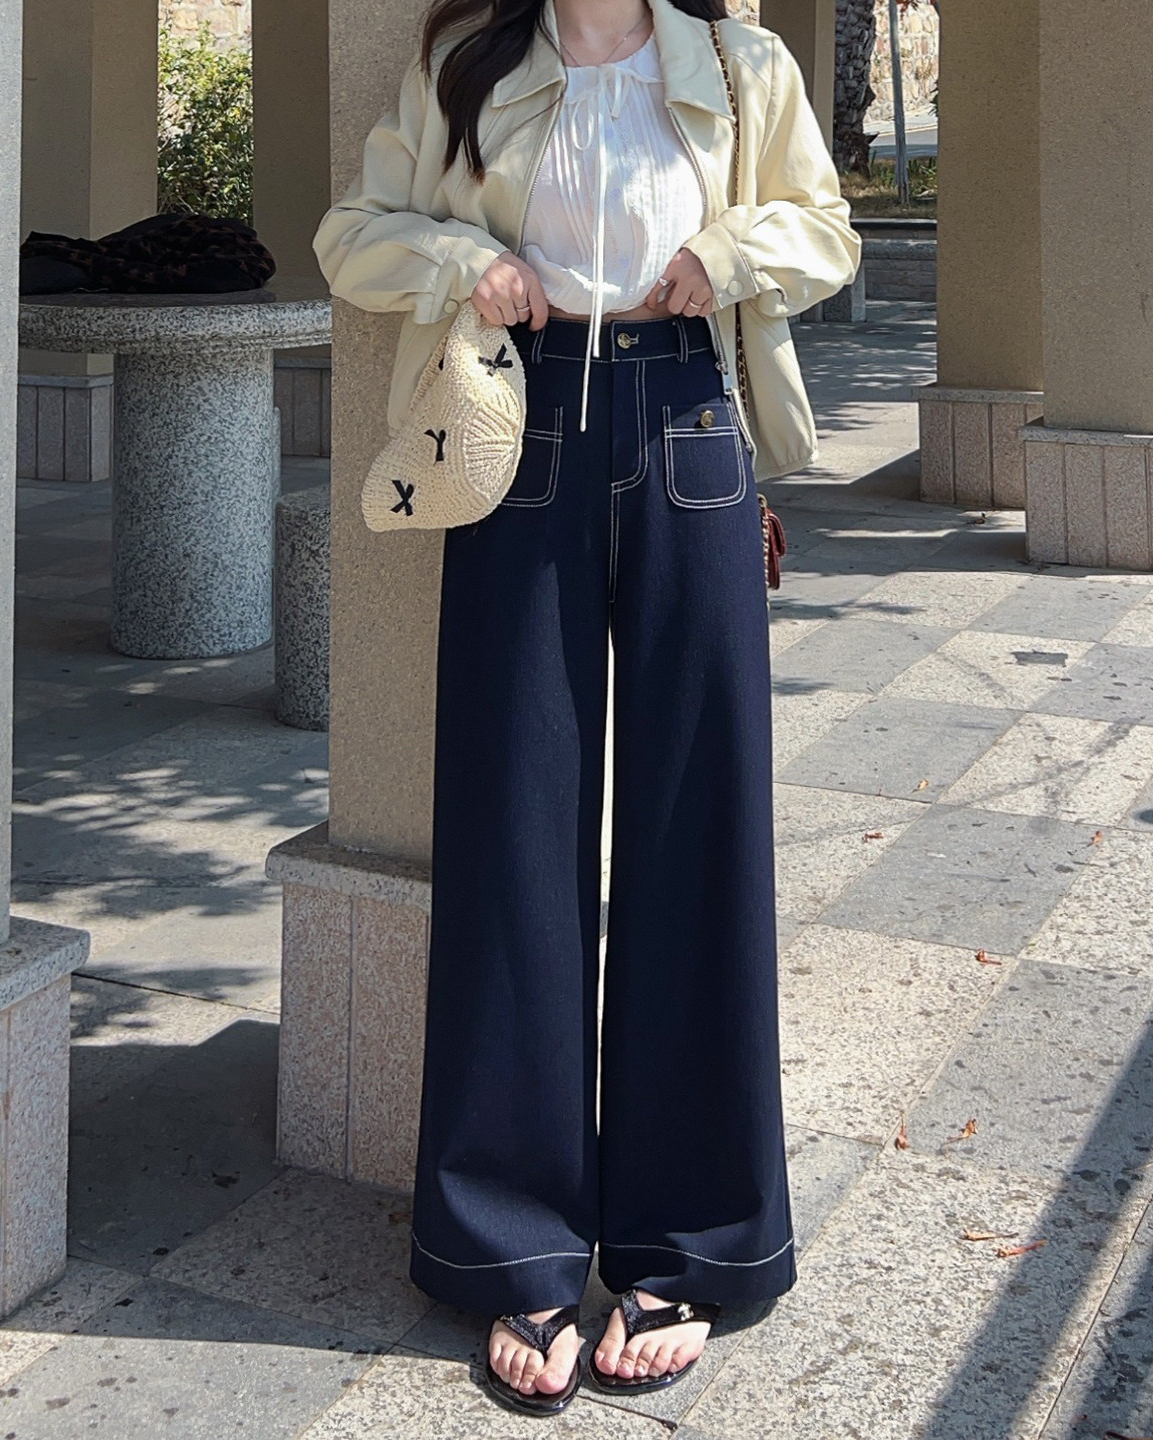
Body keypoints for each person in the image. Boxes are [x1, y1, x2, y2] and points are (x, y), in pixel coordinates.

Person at [313, 0, 859, 1415]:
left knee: (698, 829)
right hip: (521, 433)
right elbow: (351, 235)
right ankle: (517, 1246)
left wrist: (720, 256)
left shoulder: (739, 66)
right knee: (512, 824)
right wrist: (467, 262)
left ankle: (693, 1240)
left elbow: (826, 231)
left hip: (692, 428)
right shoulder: (470, 62)